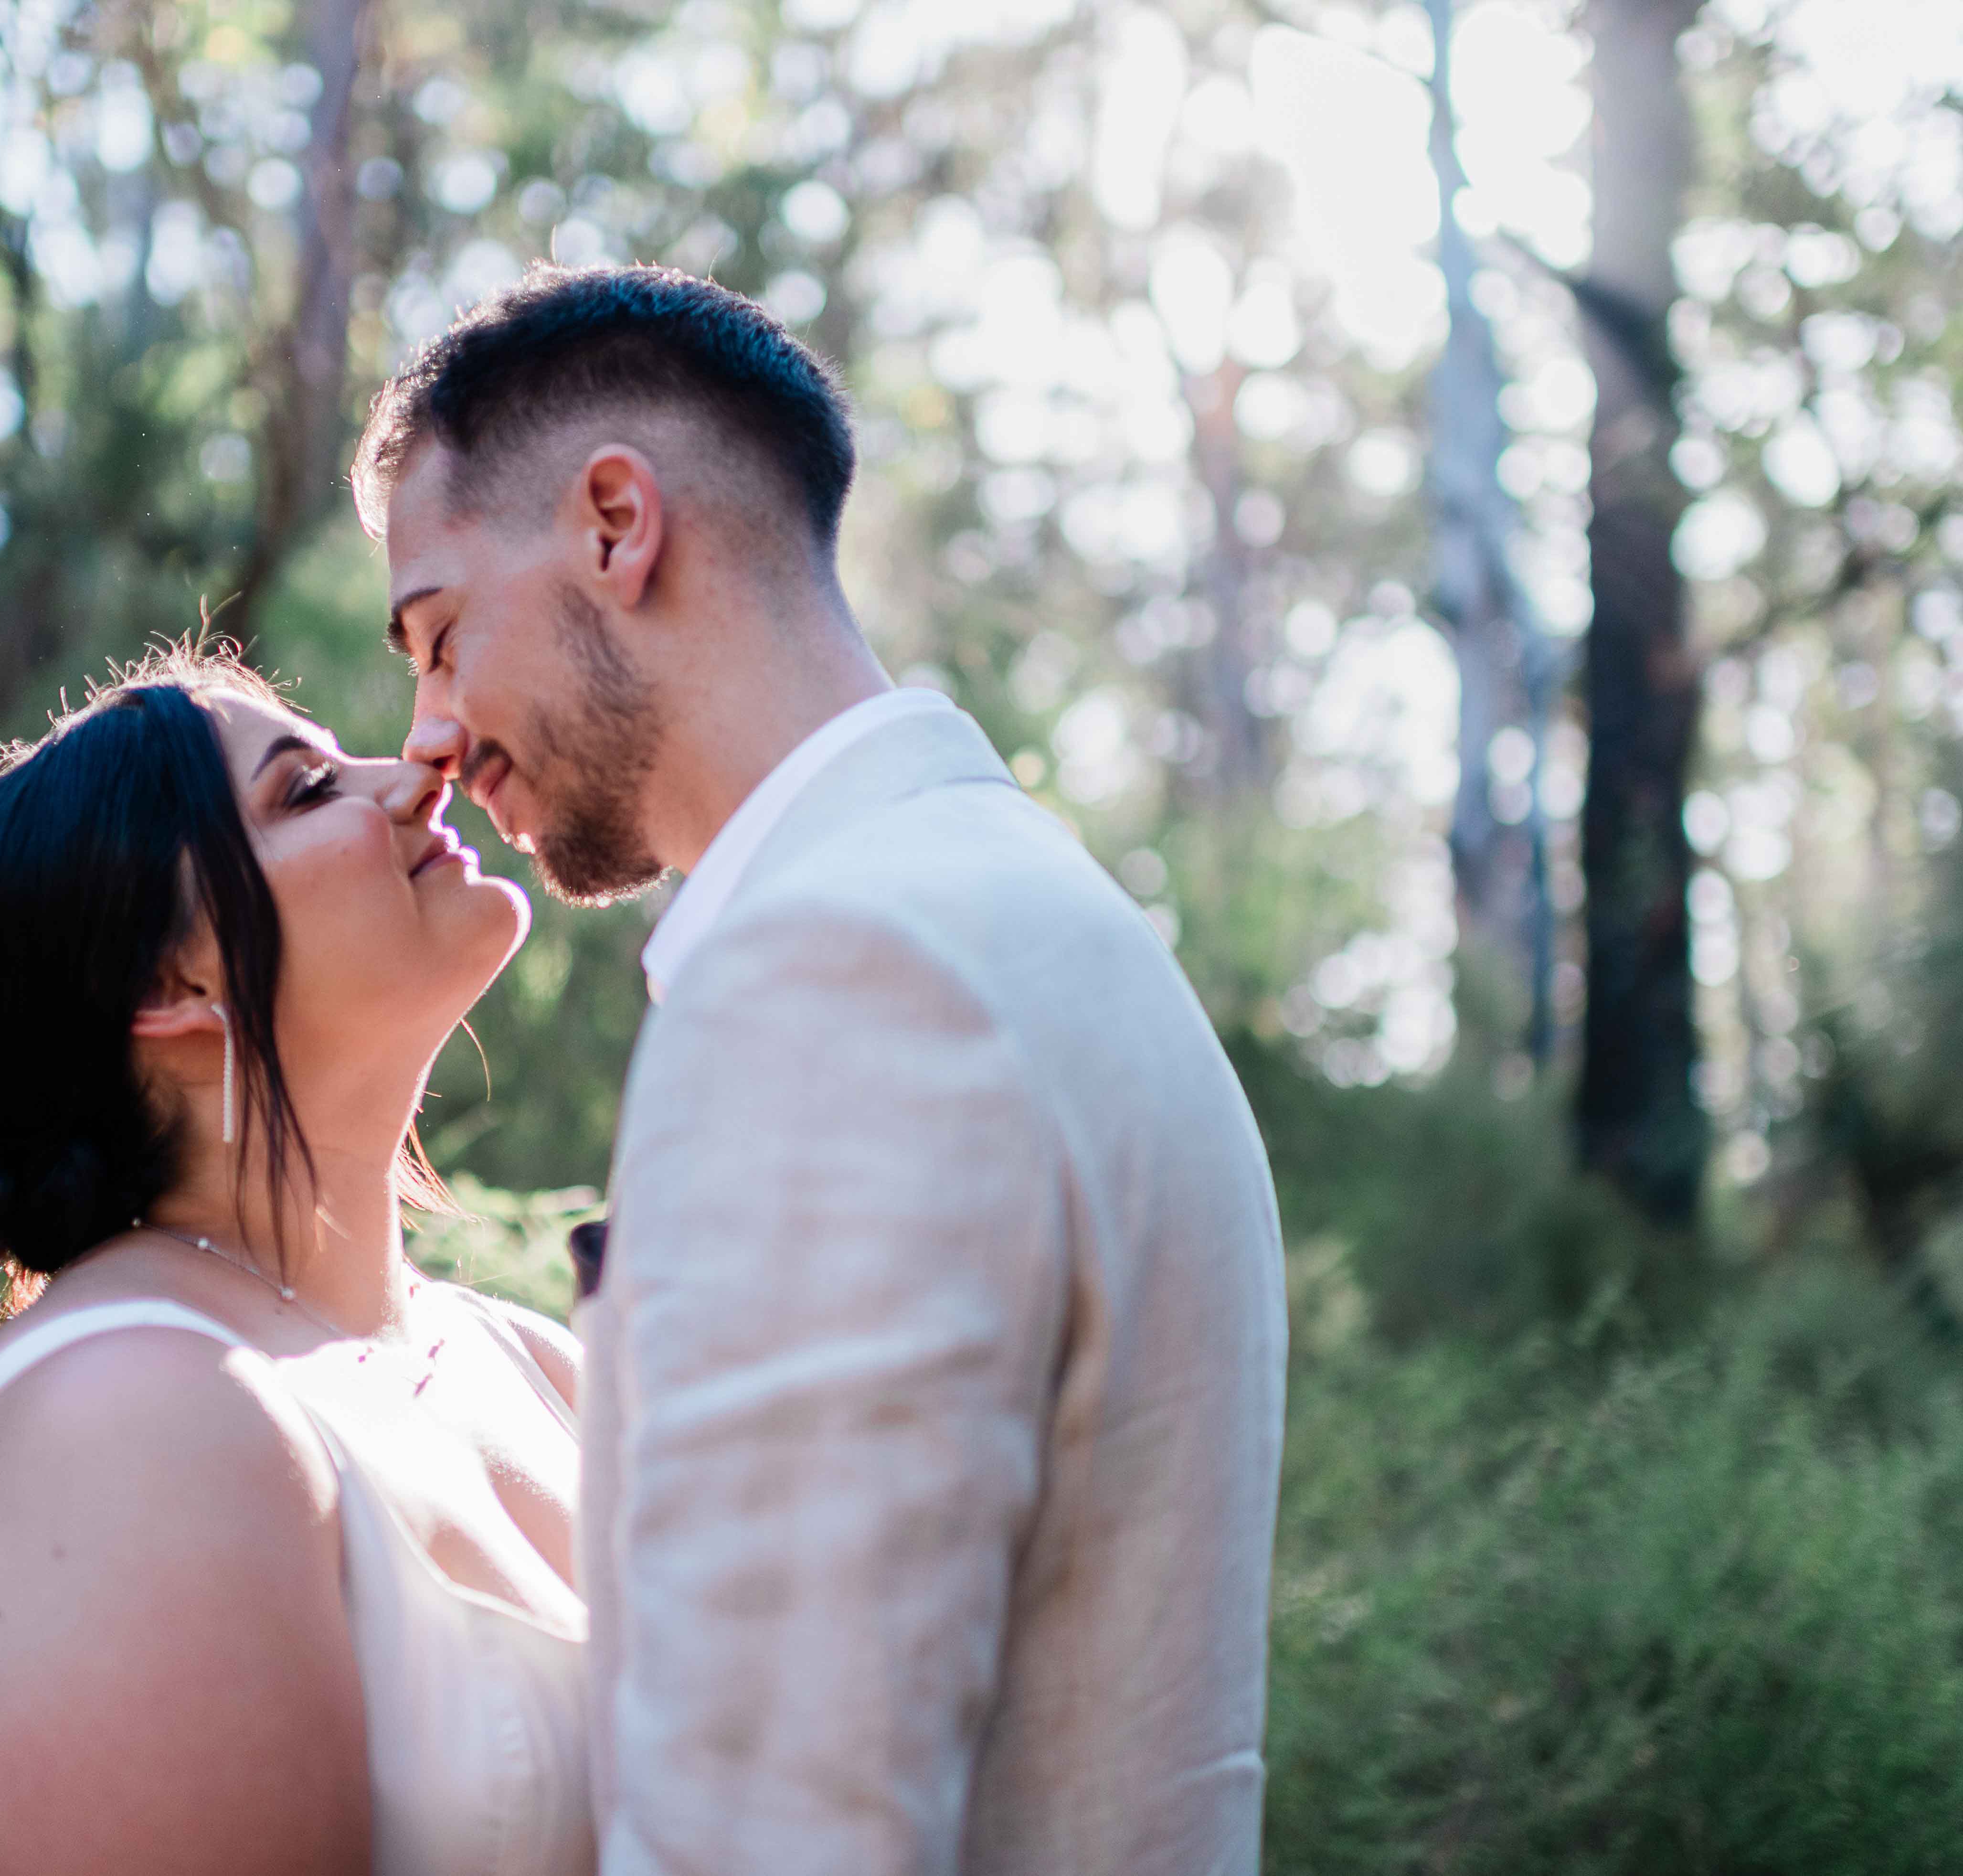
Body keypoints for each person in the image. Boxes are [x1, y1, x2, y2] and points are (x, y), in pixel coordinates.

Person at [353, 265, 1290, 1876]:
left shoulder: (841, 974)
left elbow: (777, 1825)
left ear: (612, 524)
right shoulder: (1040, 917)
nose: (428, 733)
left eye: (439, 638)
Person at [0, 644, 594, 1876]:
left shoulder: (542, 1371)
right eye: (305, 791)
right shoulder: (123, 1422)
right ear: (172, 985)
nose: (415, 773)